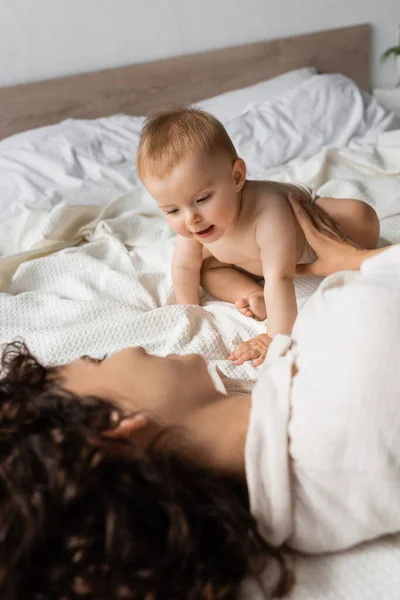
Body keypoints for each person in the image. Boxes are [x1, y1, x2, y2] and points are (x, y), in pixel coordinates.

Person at [1, 197, 398, 600]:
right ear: (111, 427)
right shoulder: (362, 359)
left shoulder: (310, 517)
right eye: (96, 360)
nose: (124, 350)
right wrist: (352, 258)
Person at [137, 106, 380, 366]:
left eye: (203, 198)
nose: (190, 218)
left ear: (237, 177)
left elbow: (281, 276)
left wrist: (275, 337)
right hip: (253, 262)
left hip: (306, 238)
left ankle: (355, 246)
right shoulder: (195, 222)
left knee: (360, 216)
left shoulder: (268, 213)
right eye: (172, 210)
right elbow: (185, 266)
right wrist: (188, 312)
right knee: (206, 272)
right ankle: (253, 292)